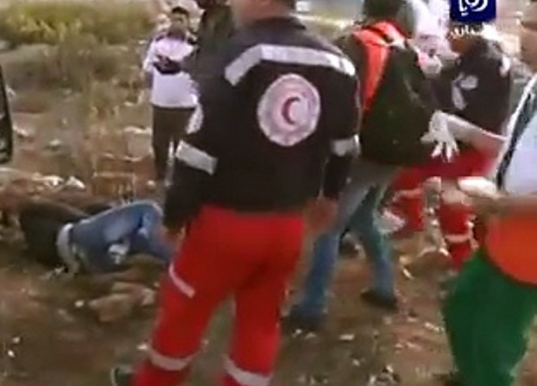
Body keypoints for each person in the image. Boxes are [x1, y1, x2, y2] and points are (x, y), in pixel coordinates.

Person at [109, 0, 361, 383]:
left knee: (184, 312)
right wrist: (330, 195)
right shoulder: (337, 62)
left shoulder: (240, 54)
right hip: (288, 224)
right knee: (260, 323)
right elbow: (346, 145)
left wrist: (175, 216)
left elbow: (197, 151)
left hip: (225, 222)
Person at [286, 0, 437, 332]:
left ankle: (312, 306)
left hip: (362, 151)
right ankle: (384, 286)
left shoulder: (358, 43)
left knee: (328, 226)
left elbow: (334, 99)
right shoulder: (403, 46)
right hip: (395, 154)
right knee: (364, 216)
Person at [441, 2, 537, 385]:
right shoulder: (531, 82)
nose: (522, 33)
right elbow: (518, 146)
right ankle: (472, 374)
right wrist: (468, 132)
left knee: (496, 338)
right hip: (502, 229)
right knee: (461, 306)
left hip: (529, 246)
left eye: (531, 25)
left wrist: (498, 203)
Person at [389, 21, 512, 270]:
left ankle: (462, 263)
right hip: (453, 139)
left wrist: (434, 80)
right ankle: (417, 226)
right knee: (406, 171)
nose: (447, 36)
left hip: (473, 145)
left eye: (453, 30)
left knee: (452, 204)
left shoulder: (488, 63)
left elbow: (460, 104)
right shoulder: (465, 58)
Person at [19, 200, 174, 275]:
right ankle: (179, 260)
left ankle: (182, 260)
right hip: (76, 239)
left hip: (87, 259)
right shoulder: (29, 211)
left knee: (143, 235)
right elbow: (73, 215)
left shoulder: (33, 242)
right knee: (147, 210)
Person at [143, 6, 198, 185]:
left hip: (185, 105)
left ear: (187, 23)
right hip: (161, 103)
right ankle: (160, 179)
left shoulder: (194, 46)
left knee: (182, 146)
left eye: (181, 20)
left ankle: (181, 181)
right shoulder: (158, 44)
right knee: (160, 143)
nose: (177, 24)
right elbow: (148, 70)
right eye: (174, 19)